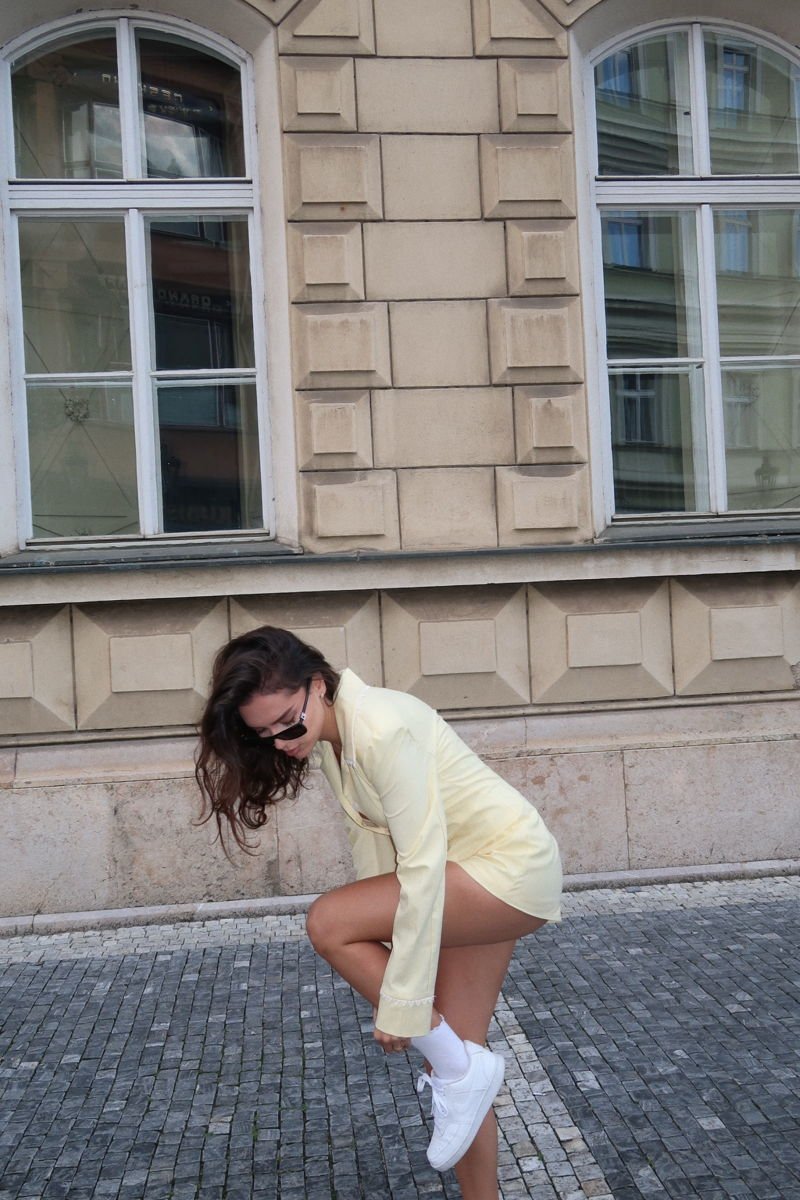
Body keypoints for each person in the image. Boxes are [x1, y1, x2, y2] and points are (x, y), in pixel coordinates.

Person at [196, 626, 562, 1200]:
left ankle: (458, 1067)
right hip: (468, 874)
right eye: (263, 733)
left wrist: (403, 998)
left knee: (328, 922)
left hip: (503, 869)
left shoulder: (381, 727)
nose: (281, 742)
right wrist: (395, 963)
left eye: (288, 723)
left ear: (318, 685)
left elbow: (419, 864)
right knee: (458, 1065)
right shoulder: (336, 737)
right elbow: (375, 851)